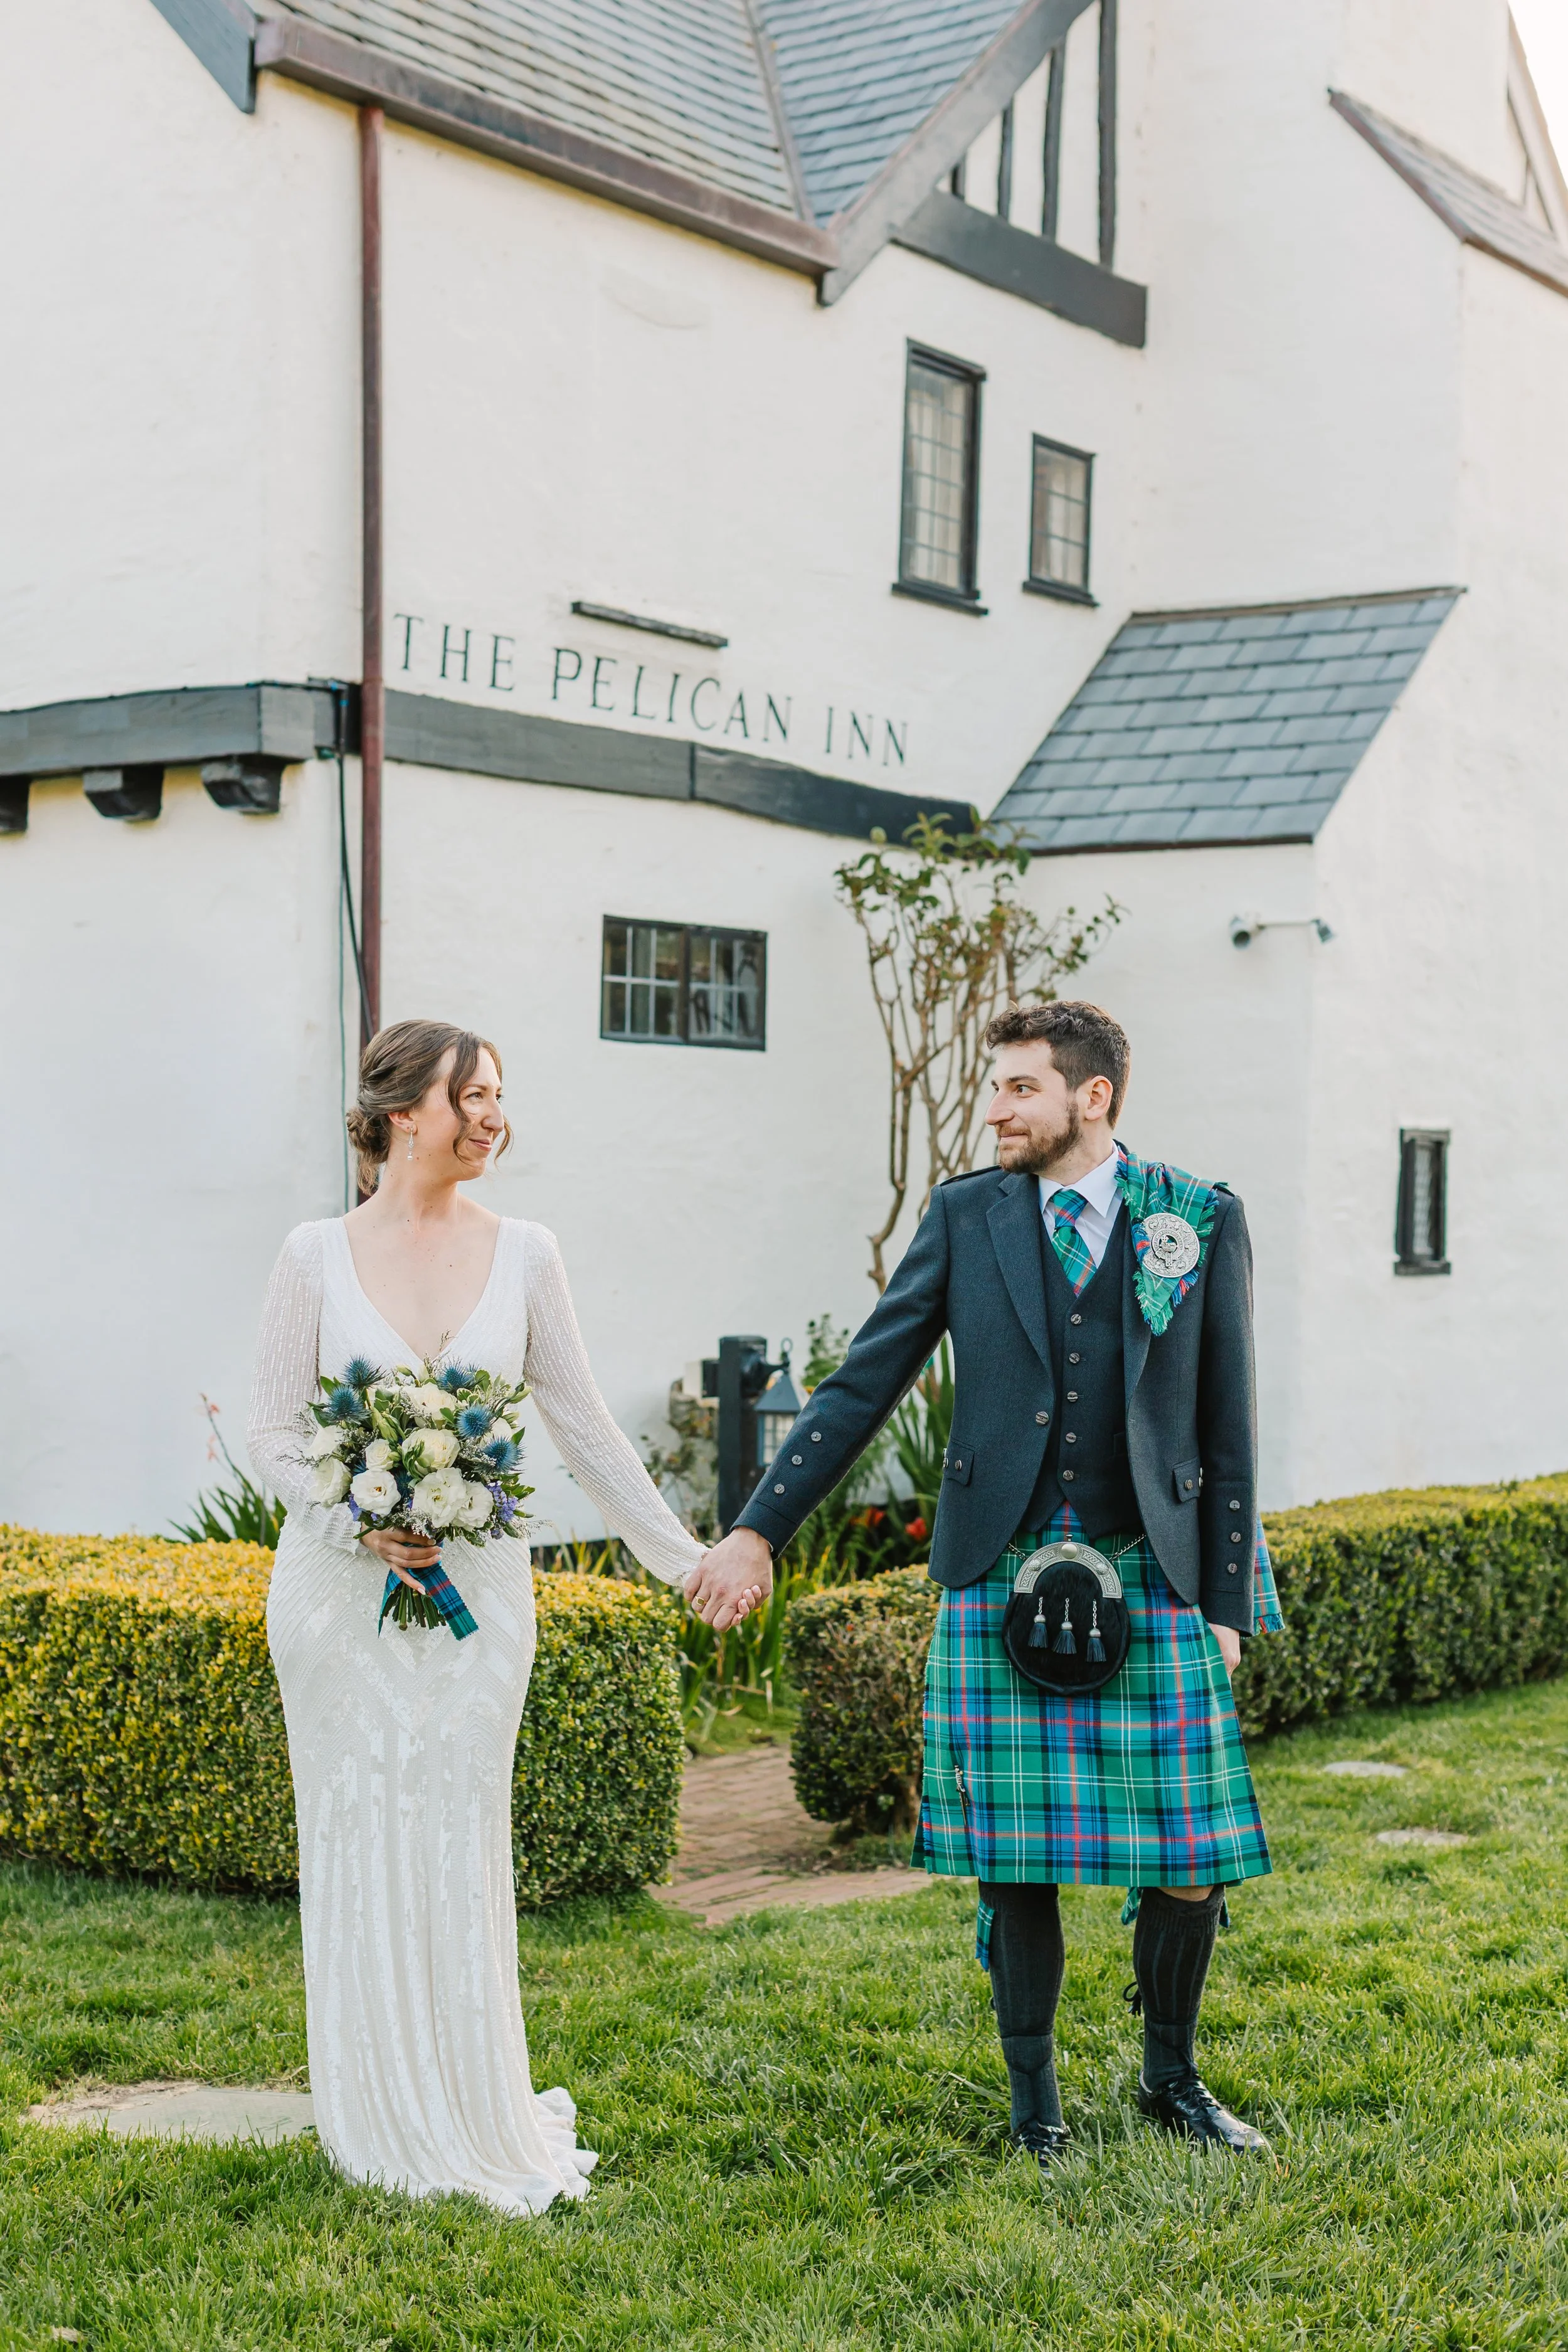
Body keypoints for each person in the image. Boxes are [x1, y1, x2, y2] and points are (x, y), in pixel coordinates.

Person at [691, 1000, 1282, 2169]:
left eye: (1020, 1087)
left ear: (1092, 1096)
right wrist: (758, 1529)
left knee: (1195, 1857)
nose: (996, 1109)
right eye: (995, 1085)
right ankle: (1034, 2106)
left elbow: (1230, 1421)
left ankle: (1172, 2077)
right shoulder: (968, 1215)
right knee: (1016, 1857)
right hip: (999, 1559)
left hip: (1153, 1564)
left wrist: (1224, 1604)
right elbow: (865, 1381)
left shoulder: (1197, 1214)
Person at [248, 1020, 758, 2215]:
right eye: (469, 1096)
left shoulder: (527, 1251)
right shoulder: (314, 1254)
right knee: (361, 1832)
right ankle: (376, 2111)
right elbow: (272, 1429)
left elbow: (584, 1425)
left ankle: (473, 2105)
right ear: (401, 1112)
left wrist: (686, 1558)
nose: (492, 1116)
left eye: (497, 1096)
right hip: (338, 1604)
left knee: (455, 1833)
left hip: (478, 1597)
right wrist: (355, 1519)